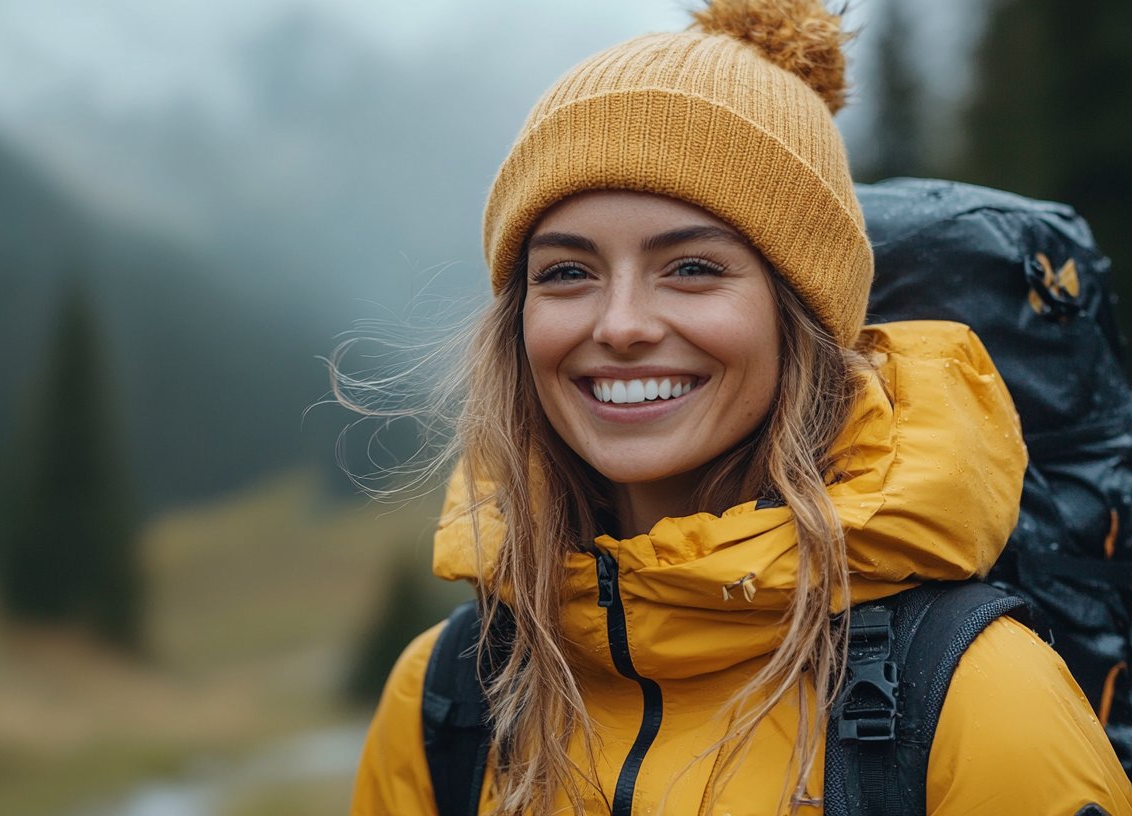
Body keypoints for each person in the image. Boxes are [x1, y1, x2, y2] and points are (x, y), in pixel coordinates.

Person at [346, 0, 1132, 814]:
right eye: (566, 273)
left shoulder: (976, 696)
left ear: (803, 320)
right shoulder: (449, 698)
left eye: (690, 267)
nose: (620, 325)